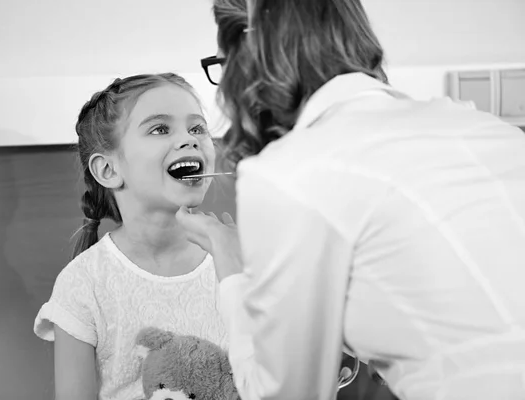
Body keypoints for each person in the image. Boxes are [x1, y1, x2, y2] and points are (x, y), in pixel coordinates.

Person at [176, 0, 525, 399]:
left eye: (224, 66)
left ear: (249, 59)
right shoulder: (488, 130)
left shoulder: (291, 171)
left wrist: (228, 259)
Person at [33, 73, 229, 400]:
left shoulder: (235, 259)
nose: (190, 139)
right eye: (160, 129)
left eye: (197, 128)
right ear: (109, 170)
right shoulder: (83, 284)